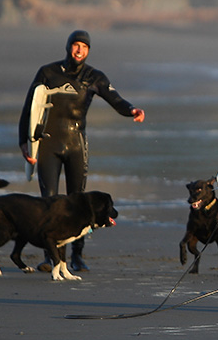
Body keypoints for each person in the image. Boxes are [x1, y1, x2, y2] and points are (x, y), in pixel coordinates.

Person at [19, 30, 145, 272]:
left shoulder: (93, 76)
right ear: (68, 46)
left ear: (88, 51)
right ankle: (52, 257)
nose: (79, 50)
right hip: (48, 144)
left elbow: (115, 99)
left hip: (76, 144)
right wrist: (23, 141)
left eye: (84, 47)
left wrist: (131, 110)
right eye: (76, 45)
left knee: (80, 203)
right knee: (50, 202)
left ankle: (77, 256)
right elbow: (29, 108)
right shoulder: (48, 72)